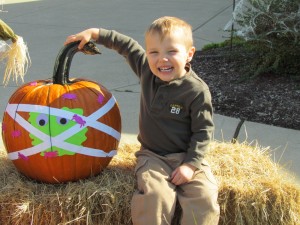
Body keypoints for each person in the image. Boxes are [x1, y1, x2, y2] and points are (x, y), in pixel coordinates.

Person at [65, 16, 220, 225]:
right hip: (153, 156)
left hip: (188, 156)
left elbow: (203, 132)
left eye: (171, 52)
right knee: (154, 196)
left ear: (189, 54)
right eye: (153, 52)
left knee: (204, 196)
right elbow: (125, 45)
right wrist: (93, 33)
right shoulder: (147, 70)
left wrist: (191, 165)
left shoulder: (196, 91)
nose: (162, 59)